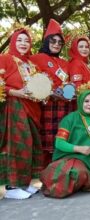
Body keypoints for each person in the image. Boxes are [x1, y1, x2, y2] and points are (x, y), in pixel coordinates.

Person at [40, 83, 90, 198]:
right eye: (86, 101)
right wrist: (78, 149)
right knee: (73, 172)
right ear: (80, 102)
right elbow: (59, 143)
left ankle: (76, 183)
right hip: (69, 157)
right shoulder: (70, 119)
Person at [0, 29, 44, 199]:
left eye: (27, 40)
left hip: (33, 109)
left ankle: (25, 184)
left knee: (31, 144)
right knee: (18, 145)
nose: (23, 44)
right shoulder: (5, 59)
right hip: (14, 106)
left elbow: (40, 87)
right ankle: (12, 187)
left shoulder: (33, 65)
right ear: (13, 42)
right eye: (19, 40)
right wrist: (17, 93)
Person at [30, 19, 72, 167]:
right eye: (53, 41)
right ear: (47, 41)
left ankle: (59, 170)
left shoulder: (65, 63)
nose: (56, 45)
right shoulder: (35, 59)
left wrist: (70, 90)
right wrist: (50, 92)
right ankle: (43, 172)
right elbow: (32, 81)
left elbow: (68, 82)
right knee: (46, 143)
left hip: (65, 107)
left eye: (60, 43)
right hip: (46, 106)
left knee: (62, 138)